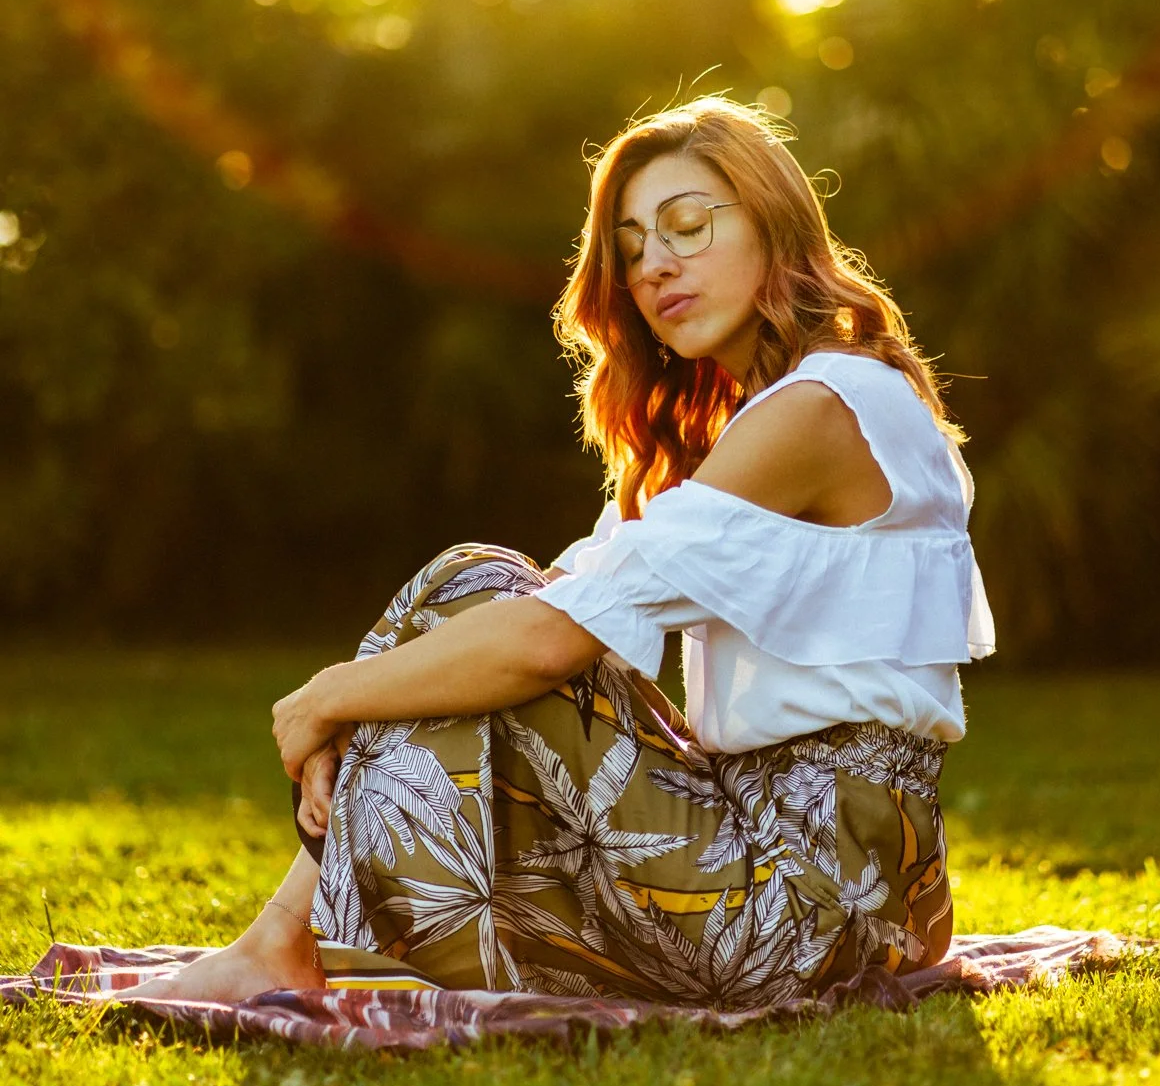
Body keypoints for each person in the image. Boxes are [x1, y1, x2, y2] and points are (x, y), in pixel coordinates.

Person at [129, 97, 994, 1009]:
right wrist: (364, 696)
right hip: (859, 893)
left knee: (475, 590)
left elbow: (552, 641)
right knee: (475, 596)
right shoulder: (779, 415)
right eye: (629, 249)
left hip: (810, 907)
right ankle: (281, 939)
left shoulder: (822, 407)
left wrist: (324, 702)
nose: (654, 265)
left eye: (688, 226)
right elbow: (568, 603)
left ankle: (280, 941)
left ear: (776, 226)